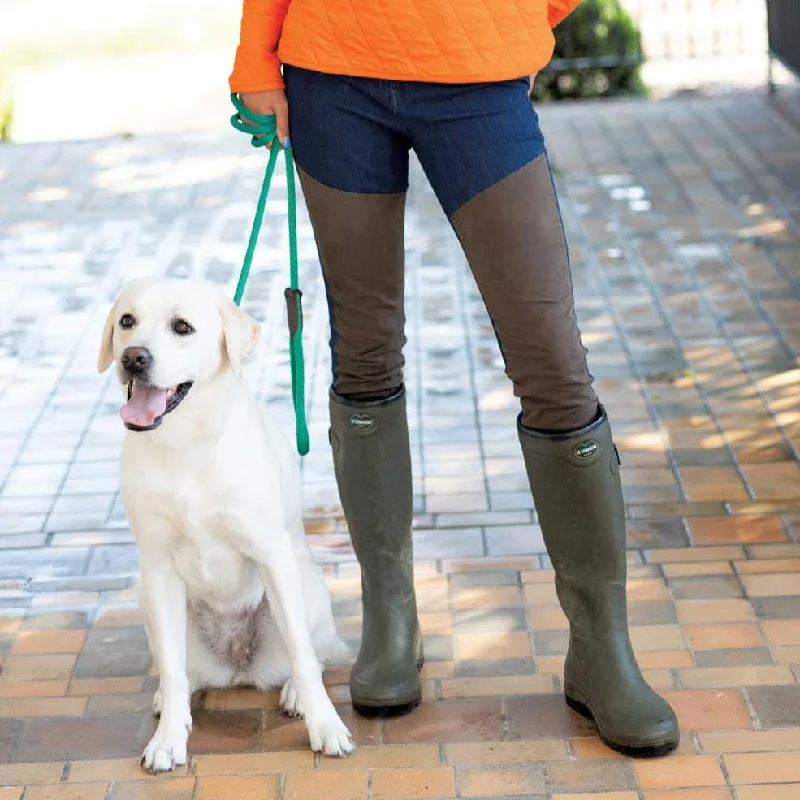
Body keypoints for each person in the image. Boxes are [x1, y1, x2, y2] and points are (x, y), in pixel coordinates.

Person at [229, 0, 679, 757]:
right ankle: (390, 619)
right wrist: (255, 59)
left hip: (481, 68)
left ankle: (602, 650)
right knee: (364, 353)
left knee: (553, 364)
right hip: (333, 71)